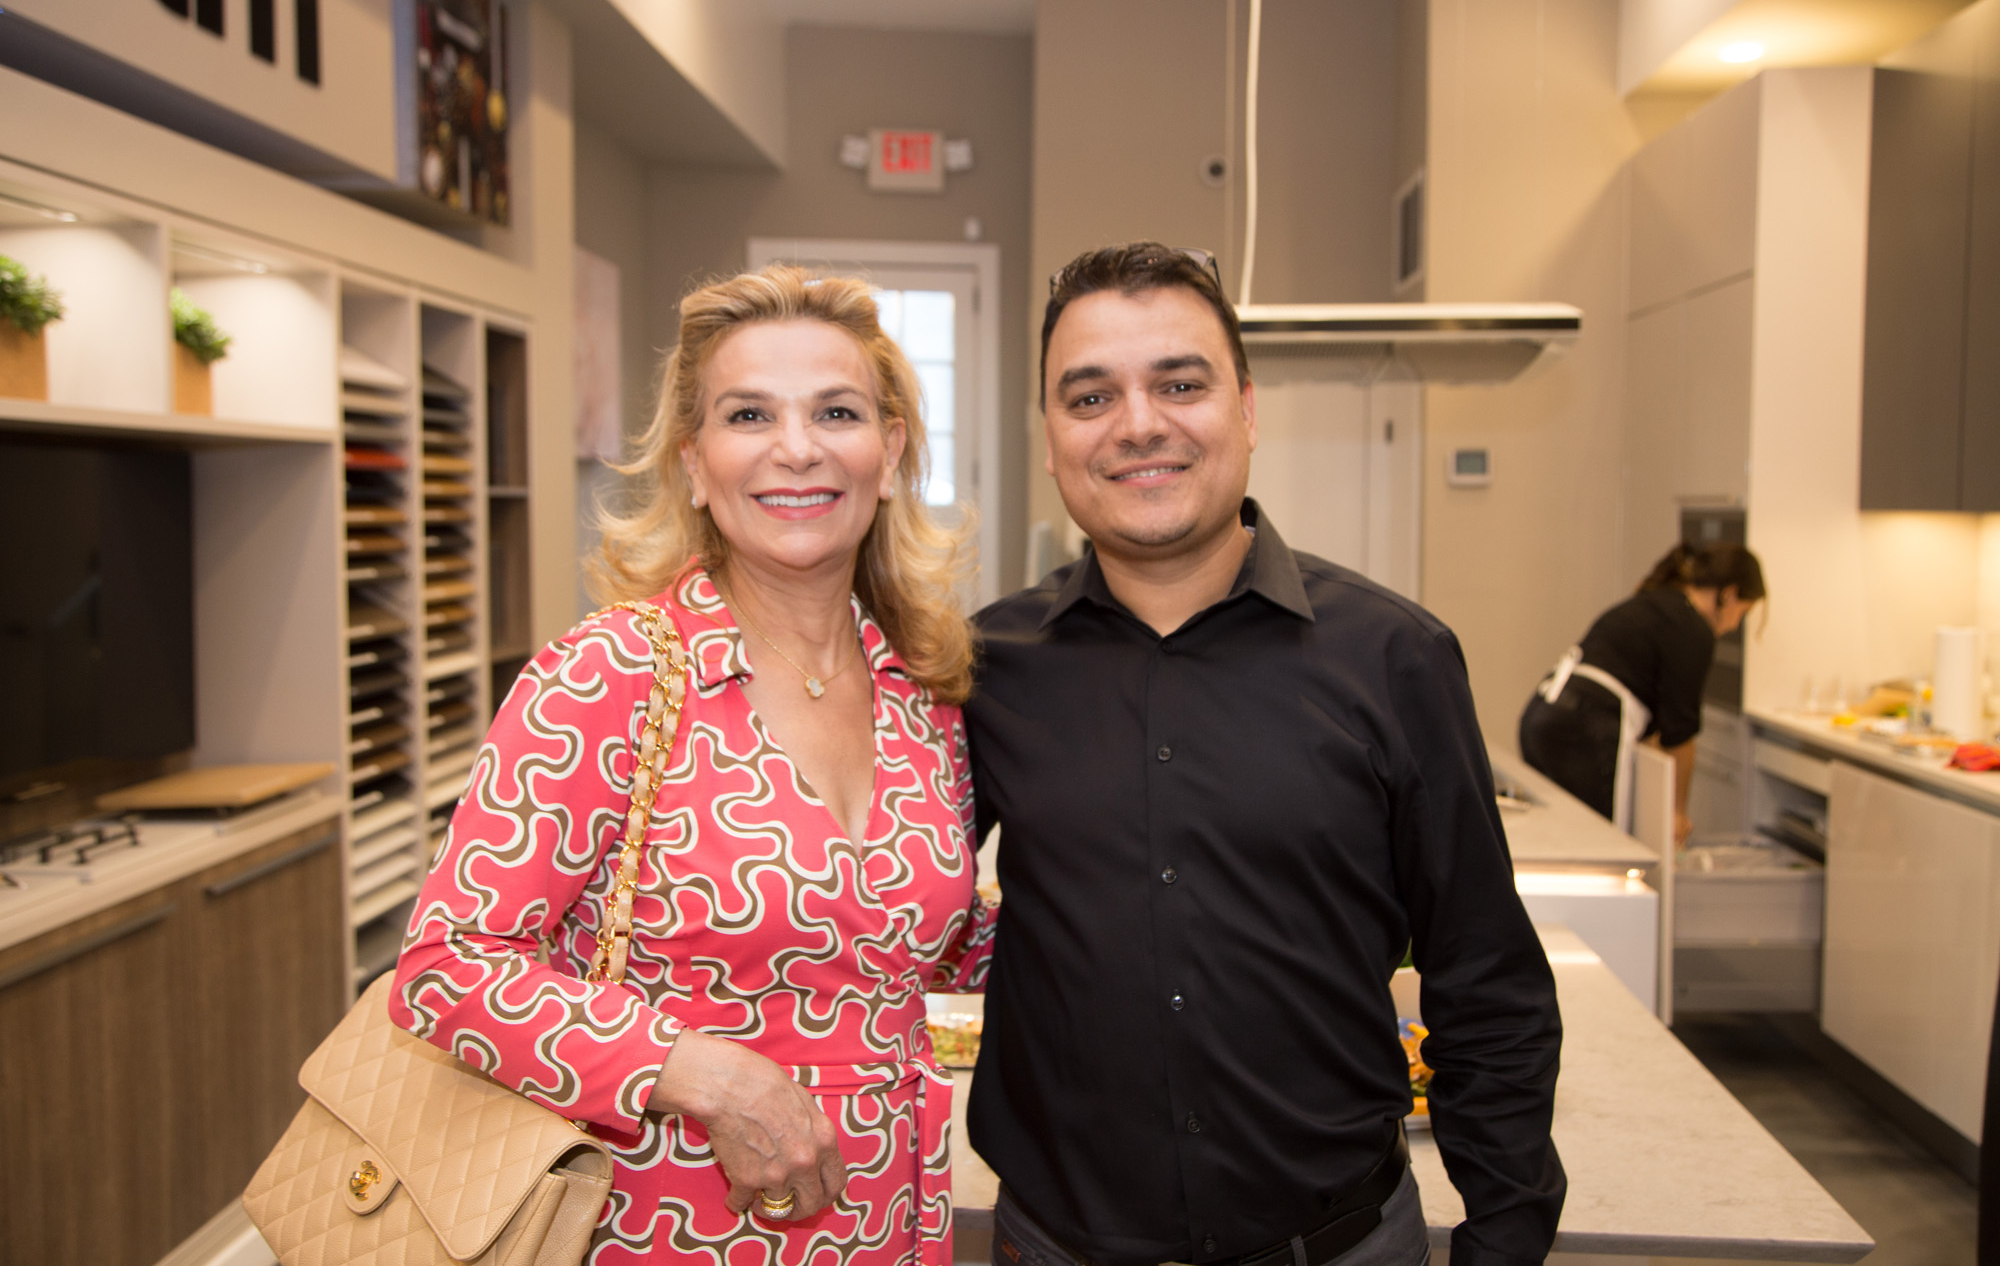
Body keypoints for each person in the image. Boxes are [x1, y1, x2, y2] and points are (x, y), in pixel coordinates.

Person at [963, 242, 1564, 1266]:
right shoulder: (985, 668)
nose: (1137, 424)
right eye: (1090, 396)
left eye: (1179, 384)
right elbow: (868, 898)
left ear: (1245, 409)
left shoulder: (1395, 657)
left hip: (1340, 1246)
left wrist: (1504, 1238)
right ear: (1052, 438)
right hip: (1056, 1247)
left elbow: (1484, 975)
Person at [390, 265, 995, 1265]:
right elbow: (446, 968)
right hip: (665, 1225)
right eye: (748, 414)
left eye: (835, 412)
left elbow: (923, 942)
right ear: (695, 463)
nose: (796, 447)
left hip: (889, 1224)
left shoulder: (919, 692)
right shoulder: (613, 674)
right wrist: (705, 1076)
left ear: (887, 454)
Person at [1518, 543, 1765, 844]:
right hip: (1589, 728)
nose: (1736, 625)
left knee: (1560, 840)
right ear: (1729, 594)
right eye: (1744, 612)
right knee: (1603, 847)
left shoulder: (1659, 603)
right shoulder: (1693, 628)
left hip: (1544, 713)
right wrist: (1676, 813)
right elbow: (1680, 736)